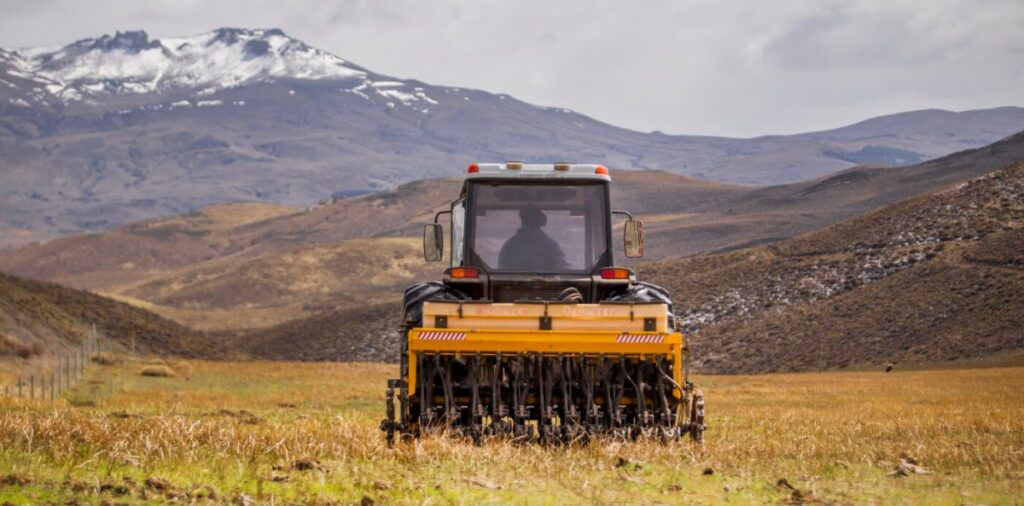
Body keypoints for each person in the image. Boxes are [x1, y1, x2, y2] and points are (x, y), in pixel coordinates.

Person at [498, 208, 568, 271]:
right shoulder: (551, 245)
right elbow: (562, 268)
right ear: (540, 225)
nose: (531, 231)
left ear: (523, 223)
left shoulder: (510, 245)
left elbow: (502, 267)